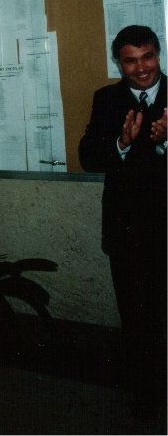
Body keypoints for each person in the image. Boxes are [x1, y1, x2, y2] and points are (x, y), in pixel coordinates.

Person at [79, 25, 167, 421]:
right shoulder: (107, 99)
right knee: (135, 316)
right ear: (119, 63)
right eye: (130, 61)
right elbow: (88, 157)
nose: (142, 68)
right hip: (127, 231)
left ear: (158, 54)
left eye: (148, 57)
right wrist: (121, 144)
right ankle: (146, 395)